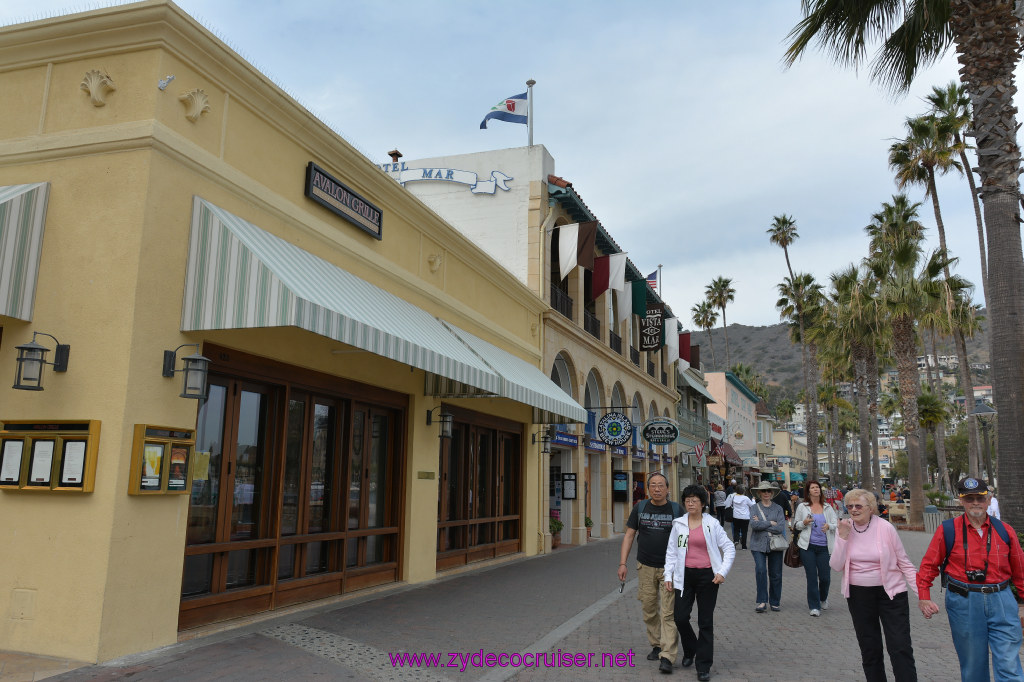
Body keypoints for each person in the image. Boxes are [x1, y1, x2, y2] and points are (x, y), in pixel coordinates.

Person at [917, 477, 1024, 682]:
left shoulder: (1005, 530)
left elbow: (1020, 569)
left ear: (989, 500)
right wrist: (924, 596)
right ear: (961, 501)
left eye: (980, 498)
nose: (975, 502)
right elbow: (929, 565)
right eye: (969, 498)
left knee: (1009, 664)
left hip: (1001, 599)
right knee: (973, 666)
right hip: (964, 602)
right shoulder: (948, 529)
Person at [830, 488, 919, 681]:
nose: (853, 509)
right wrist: (843, 538)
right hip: (858, 595)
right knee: (870, 648)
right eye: (850, 506)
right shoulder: (844, 528)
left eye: (858, 505)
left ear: (871, 508)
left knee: (899, 646)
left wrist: (923, 595)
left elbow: (904, 562)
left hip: (891, 594)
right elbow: (836, 565)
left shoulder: (885, 528)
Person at [664, 485, 735, 681]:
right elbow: (671, 551)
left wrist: (722, 572)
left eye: (695, 500)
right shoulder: (679, 524)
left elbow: (729, 547)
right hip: (684, 576)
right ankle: (690, 648)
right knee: (680, 617)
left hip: (707, 577)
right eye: (687, 500)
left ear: (703, 503)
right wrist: (668, 576)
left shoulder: (711, 524)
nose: (690, 503)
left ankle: (703, 665)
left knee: (705, 622)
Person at [618, 472, 683, 674]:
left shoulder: (676, 509)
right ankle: (656, 644)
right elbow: (629, 535)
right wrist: (622, 563)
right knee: (649, 608)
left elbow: (684, 538)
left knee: (668, 612)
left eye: (660, 485)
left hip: (669, 569)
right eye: (653, 485)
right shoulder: (640, 508)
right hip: (644, 566)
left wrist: (683, 565)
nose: (657, 489)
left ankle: (667, 655)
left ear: (667, 488)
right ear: (648, 489)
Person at [792, 479, 837, 616]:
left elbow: (836, 524)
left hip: (824, 548)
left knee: (825, 578)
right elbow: (796, 525)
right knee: (811, 577)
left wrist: (829, 526)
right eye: (813, 488)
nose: (816, 489)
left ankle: (823, 598)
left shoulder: (828, 507)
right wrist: (804, 522)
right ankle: (814, 606)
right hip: (808, 547)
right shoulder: (802, 507)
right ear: (808, 491)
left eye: (817, 487)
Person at [748, 480, 786, 613]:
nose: (766, 493)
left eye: (768, 491)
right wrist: (770, 522)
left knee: (775, 574)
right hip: (757, 544)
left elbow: (780, 527)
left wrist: (762, 523)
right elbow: (754, 525)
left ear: (772, 492)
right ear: (759, 493)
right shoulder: (754, 508)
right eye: (763, 491)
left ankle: (775, 602)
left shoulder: (778, 508)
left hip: (775, 544)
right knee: (761, 571)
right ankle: (762, 601)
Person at [724, 485, 754, 549]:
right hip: (745, 517)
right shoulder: (746, 498)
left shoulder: (733, 497)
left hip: (736, 516)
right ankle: (744, 546)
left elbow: (727, 504)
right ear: (743, 491)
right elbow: (752, 506)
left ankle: (736, 540)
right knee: (744, 531)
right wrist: (753, 500)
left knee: (736, 530)